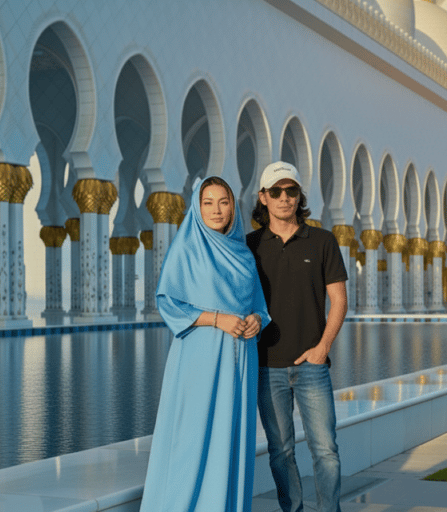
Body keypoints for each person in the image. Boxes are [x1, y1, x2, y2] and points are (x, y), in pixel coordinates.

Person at [139, 176, 271, 512]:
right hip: (200, 357)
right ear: (197, 207)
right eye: (207, 202)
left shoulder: (243, 254)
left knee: (232, 441)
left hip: (241, 359)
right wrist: (217, 319)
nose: (216, 209)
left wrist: (257, 319)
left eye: (223, 202)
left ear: (233, 207)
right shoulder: (187, 248)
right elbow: (168, 302)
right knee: (192, 440)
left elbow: (258, 306)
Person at [247, 161, 348, 512]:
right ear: (263, 197)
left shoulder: (321, 240)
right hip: (267, 366)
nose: (284, 198)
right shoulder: (251, 245)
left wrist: (323, 348)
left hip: (312, 365)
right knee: (280, 453)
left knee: (326, 451)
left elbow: (340, 300)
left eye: (290, 191)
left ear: (299, 195)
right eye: (275, 191)